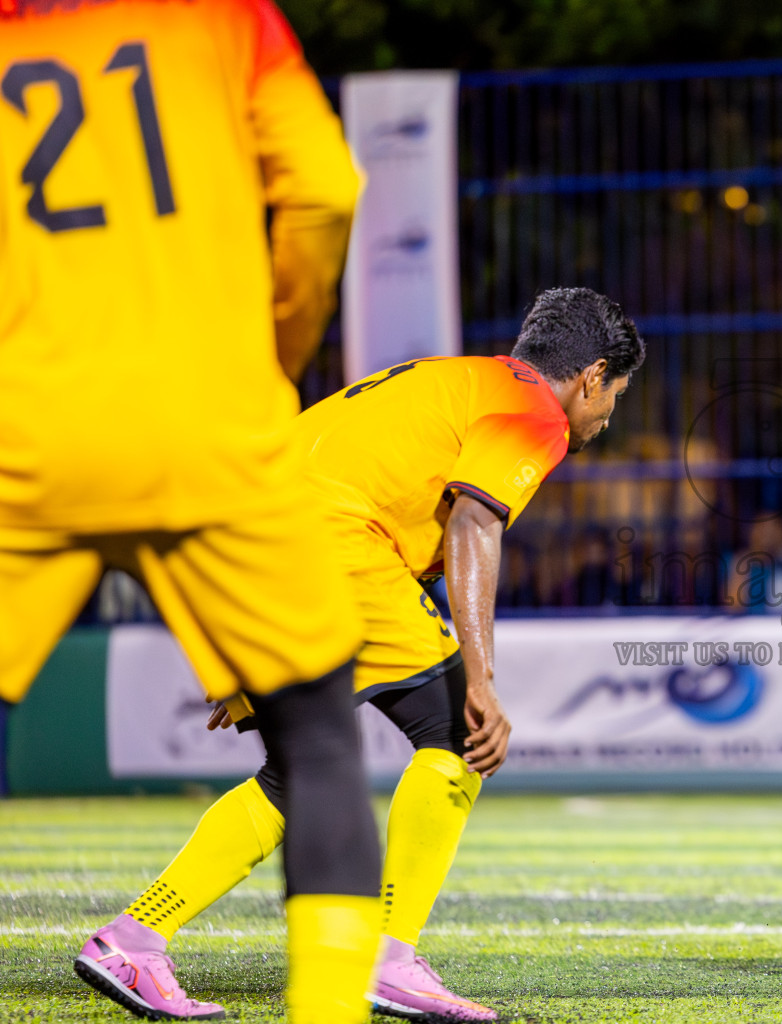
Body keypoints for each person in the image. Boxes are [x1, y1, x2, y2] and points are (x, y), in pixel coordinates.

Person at [79, 287, 643, 1023]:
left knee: (299, 768)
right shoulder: (535, 409)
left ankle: (131, 940)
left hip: (256, 538)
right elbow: (477, 522)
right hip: (335, 544)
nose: (607, 417)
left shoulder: (447, 378)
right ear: (592, 374)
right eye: (615, 397)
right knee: (460, 735)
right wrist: (482, 677)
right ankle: (389, 957)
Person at [0, 2, 381, 1021]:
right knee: (318, 737)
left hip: (28, 426)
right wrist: (278, 350)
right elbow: (325, 191)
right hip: (215, 419)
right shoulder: (224, 18)